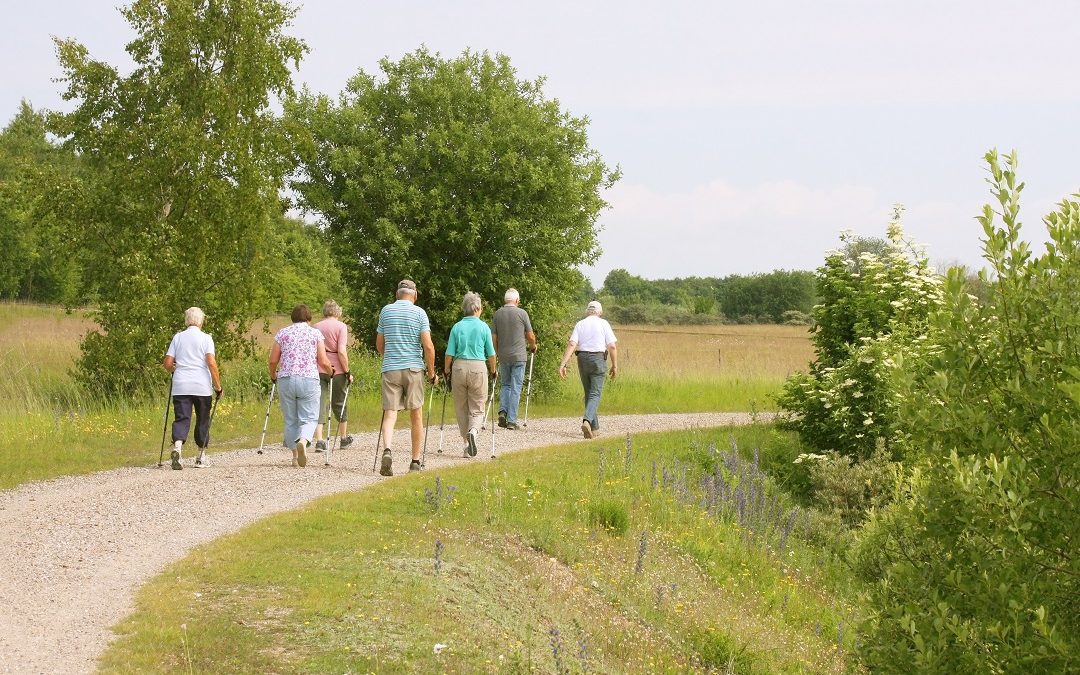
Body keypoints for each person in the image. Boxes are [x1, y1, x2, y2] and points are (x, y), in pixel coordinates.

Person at [376, 279, 437, 475]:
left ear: (397, 294)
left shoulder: (386, 311)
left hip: (391, 367)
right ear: (415, 295)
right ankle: (415, 461)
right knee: (416, 414)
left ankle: (387, 450)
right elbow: (428, 346)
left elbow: (379, 345)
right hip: (413, 368)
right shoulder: (420, 313)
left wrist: (391, 355)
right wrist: (431, 372)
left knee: (390, 412)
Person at [268, 304, 333, 467]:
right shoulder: (315, 333)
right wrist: (330, 371)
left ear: (292, 318)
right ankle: (303, 441)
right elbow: (322, 360)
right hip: (308, 379)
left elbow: (273, 360)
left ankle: (295, 457)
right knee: (310, 417)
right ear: (309, 319)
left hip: (286, 379)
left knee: (291, 419)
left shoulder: (282, 333)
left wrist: (273, 374)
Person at [162, 307, 223, 470]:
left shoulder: (178, 337)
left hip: (181, 385)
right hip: (201, 386)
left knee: (182, 418)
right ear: (201, 321)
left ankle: (178, 448)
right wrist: (218, 387)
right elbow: (211, 362)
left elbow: (167, 363)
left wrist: (175, 369)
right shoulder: (206, 338)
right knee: (203, 419)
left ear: (186, 320)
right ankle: (201, 456)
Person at [444, 292, 497, 457]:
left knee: (461, 407)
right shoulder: (483, 327)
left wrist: (446, 370)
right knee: (477, 405)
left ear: (464, 309)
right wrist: (493, 370)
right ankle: (473, 432)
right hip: (478, 367)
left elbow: (449, 354)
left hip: (459, 368)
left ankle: (466, 445)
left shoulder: (457, 327)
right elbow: (491, 354)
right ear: (478, 308)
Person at [558, 300, 618, 439]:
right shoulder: (604, 324)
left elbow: (572, 343)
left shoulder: (580, 324)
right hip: (598, 358)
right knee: (595, 394)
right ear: (600, 312)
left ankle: (594, 429)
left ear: (587, 311)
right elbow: (612, 346)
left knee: (588, 392)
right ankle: (587, 420)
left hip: (582, 359)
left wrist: (563, 364)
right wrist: (615, 365)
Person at [491, 288, 537, 430]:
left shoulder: (497, 314)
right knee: (516, 387)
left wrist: (497, 352)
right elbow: (530, 335)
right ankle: (511, 420)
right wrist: (533, 346)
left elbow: (494, 338)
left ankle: (503, 411)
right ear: (517, 300)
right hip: (519, 356)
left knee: (505, 385)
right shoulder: (522, 313)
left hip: (503, 355)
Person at [313, 299, 354, 452]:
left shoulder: (316, 327)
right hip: (337, 369)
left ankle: (320, 441)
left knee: (320, 402)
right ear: (338, 312)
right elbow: (342, 351)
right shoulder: (341, 326)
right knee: (340, 402)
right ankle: (343, 439)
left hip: (319, 369)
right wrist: (347, 371)